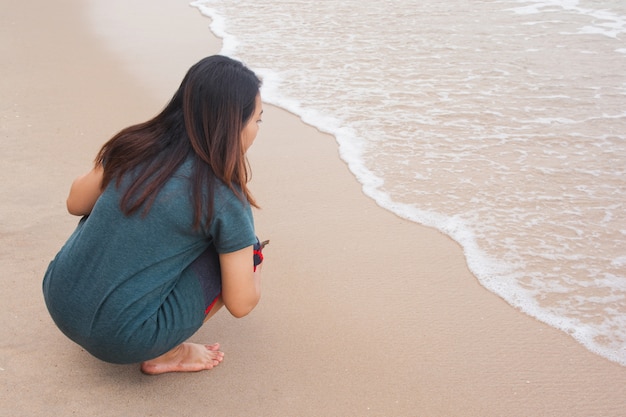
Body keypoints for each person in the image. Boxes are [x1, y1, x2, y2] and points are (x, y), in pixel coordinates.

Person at [42, 55, 266, 375]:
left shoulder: (135, 144)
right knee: (246, 247)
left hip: (57, 295)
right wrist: (255, 267)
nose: (257, 128)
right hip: (121, 341)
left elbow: (76, 203)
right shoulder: (223, 195)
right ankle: (168, 351)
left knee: (123, 209)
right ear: (234, 126)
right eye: (257, 120)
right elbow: (241, 303)